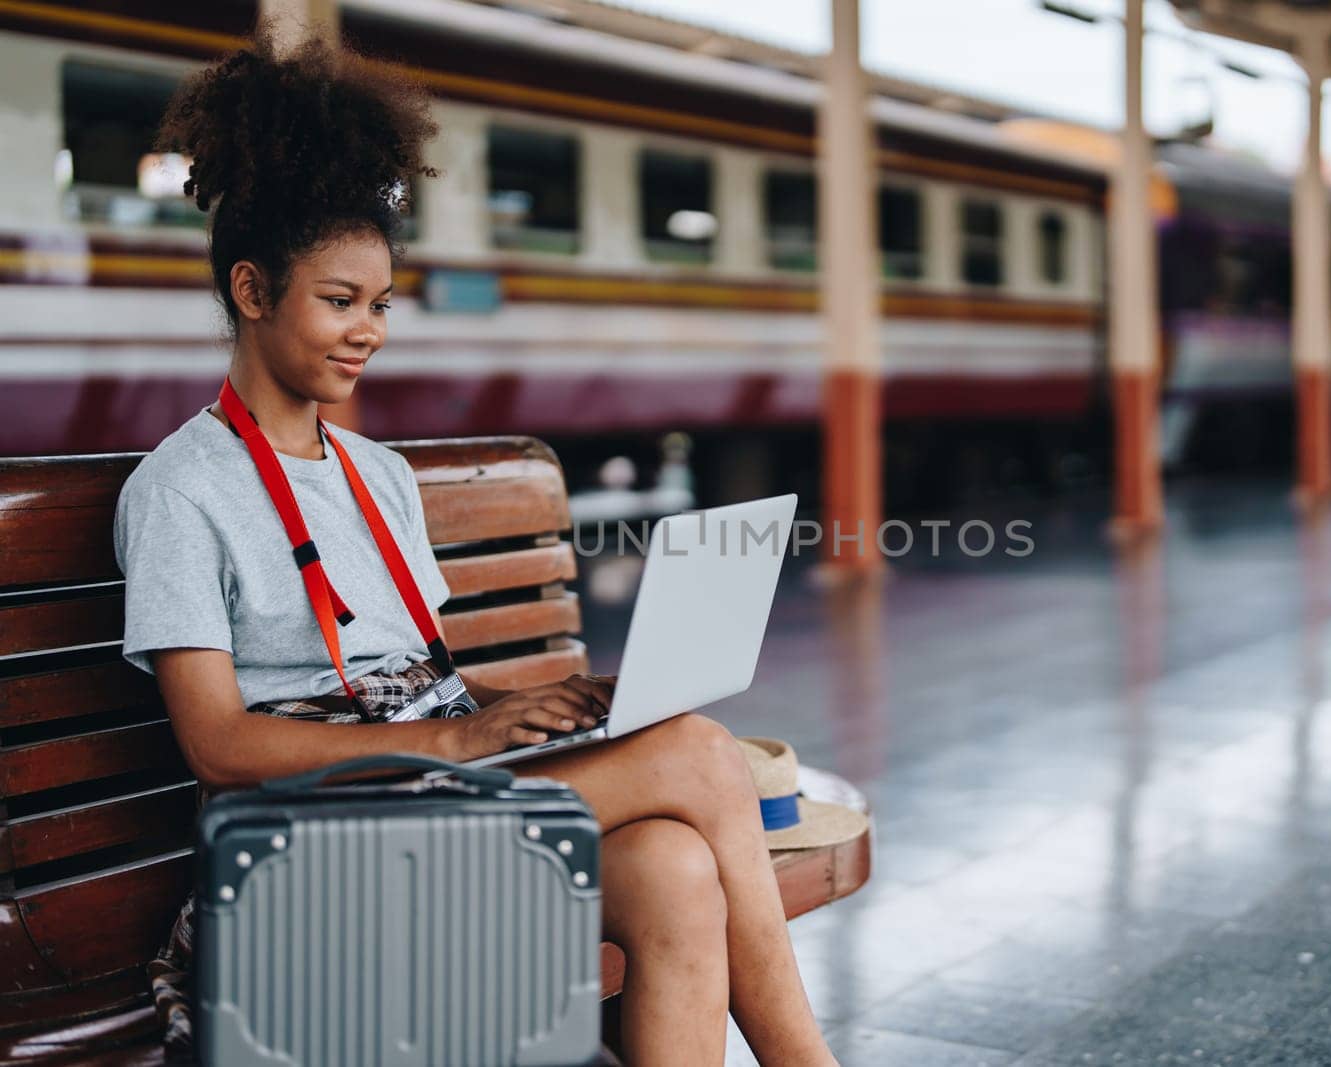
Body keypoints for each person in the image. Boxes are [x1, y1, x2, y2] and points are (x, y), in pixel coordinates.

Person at [112, 32, 838, 1066]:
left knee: (675, 862)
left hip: (432, 791)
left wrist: (555, 706)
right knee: (700, 754)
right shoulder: (180, 489)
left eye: (379, 304)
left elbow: (420, 678)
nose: (368, 330)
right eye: (338, 300)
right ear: (251, 290)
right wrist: (455, 742)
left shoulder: (382, 475)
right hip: (302, 842)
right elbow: (219, 745)